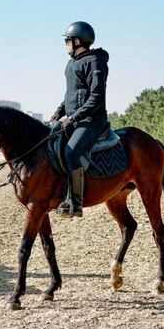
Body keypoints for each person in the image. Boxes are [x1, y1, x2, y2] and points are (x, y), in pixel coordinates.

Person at [50, 21, 109, 217]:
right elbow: (71, 94)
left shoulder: (95, 61)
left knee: (70, 152)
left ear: (76, 41)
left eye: (67, 40)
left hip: (92, 120)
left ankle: (75, 202)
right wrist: (58, 113)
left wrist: (73, 117)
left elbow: (96, 97)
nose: (65, 44)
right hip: (75, 120)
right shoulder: (71, 63)